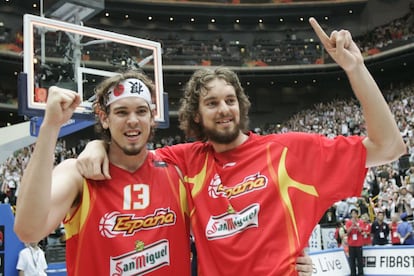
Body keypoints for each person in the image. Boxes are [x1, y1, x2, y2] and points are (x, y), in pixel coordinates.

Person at [77, 18, 406, 275]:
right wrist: (96, 145)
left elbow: (389, 147)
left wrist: (356, 68)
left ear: (241, 105)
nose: (223, 109)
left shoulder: (289, 151)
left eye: (230, 100)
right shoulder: (185, 161)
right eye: (211, 103)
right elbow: (129, 150)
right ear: (196, 115)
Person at [14, 72, 192, 275]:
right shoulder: (79, 174)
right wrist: (51, 126)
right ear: (104, 118)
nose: (132, 120)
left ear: (152, 117)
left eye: (141, 111)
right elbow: (27, 231)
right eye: (122, 112)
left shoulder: (176, 169)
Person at [345, 209, 365, 276]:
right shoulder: (348, 223)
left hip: (359, 244)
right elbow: (347, 232)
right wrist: (352, 225)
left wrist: (356, 224)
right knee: (352, 260)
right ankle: (353, 273)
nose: (353, 215)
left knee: (360, 260)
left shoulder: (361, 222)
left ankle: (360, 273)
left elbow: (360, 230)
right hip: (351, 244)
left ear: (357, 214)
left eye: (355, 213)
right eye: (352, 214)